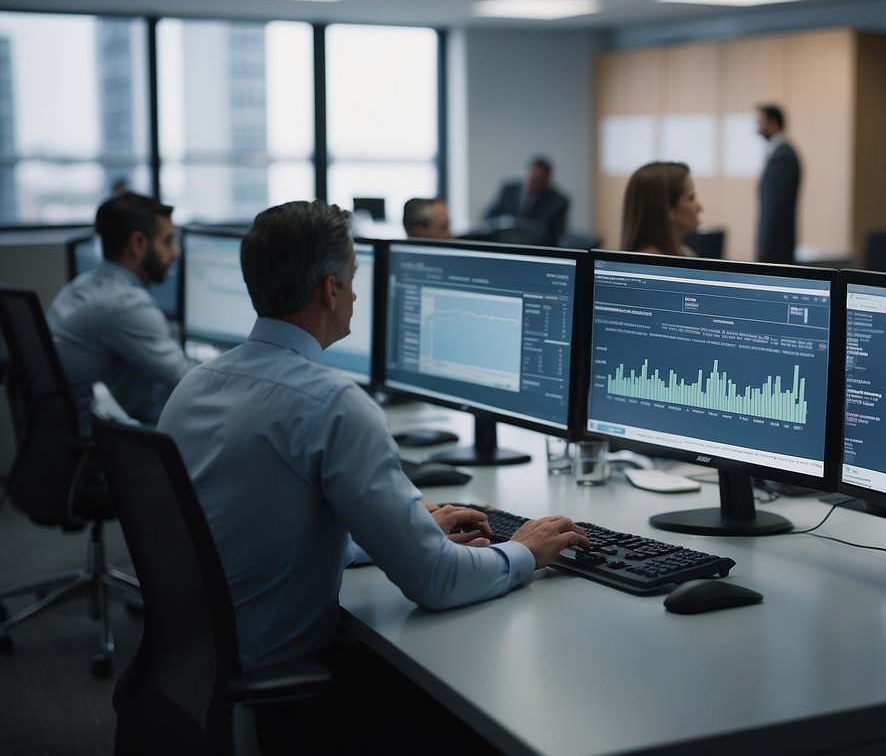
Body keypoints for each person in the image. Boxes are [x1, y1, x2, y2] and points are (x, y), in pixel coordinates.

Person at [157, 199, 589, 751]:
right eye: (355, 278)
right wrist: (525, 550)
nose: (358, 295)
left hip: (192, 668)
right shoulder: (332, 403)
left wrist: (400, 528)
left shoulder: (194, 386)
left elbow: (259, 531)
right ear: (330, 289)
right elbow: (435, 584)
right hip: (279, 678)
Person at [47, 192, 193, 429]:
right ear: (138, 244)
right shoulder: (124, 304)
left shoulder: (81, 285)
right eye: (167, 241)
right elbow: (187, 380)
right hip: (105, 439)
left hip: (75, 430)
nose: (175, 252)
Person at [482, 155, 570, 245]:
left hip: (537, 249)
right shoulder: (508, 190)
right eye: (531, 178)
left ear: (547, 181)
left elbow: (555, 235)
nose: (532, 183)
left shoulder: (558, 201)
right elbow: (486, 218)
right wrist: (503, 222)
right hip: (505, 245)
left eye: (538, 181)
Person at [620, 161, 702, 256]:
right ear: (667, 207)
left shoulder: (685, 253)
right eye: (691, 198)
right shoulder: (649, 264)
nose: (700, 208)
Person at [755, 104, 801, 264]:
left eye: (760, 122)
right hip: (778, 244)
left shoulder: (782, 156)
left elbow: (774, 205)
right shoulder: (779, 152)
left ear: (773, 123)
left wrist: (764, 244)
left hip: (776, 247)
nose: (757, 128)